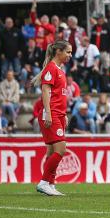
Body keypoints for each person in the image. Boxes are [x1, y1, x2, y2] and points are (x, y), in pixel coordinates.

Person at [32, 40, 72, 196]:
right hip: (52, 113)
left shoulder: (60, 70)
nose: (70, 55)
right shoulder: (51, 69)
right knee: (61, 149)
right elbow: (45, 91)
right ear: (58, 52)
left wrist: (64, 114)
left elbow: (59, 95)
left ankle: (50, 183)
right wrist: (48, 112)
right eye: (68, 52)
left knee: (51, 152)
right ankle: (43, 182)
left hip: (59, 114)